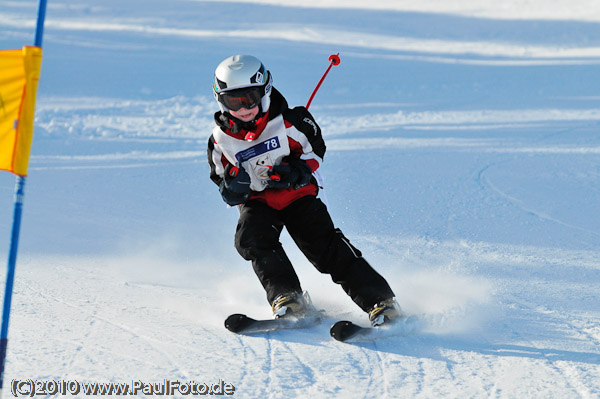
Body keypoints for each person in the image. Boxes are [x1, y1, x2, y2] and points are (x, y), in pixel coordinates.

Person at [207, 54, 401, 326]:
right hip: (258, 201)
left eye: (249, 98)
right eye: (233, 101)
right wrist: (233, 187)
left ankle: (381, 302)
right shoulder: (220, 140)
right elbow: (220, 179)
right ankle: (287, 297)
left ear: (264, 92)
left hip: (297, 195)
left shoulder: (291, 121)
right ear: (220, 100)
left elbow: (316, 151)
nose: (243, 109)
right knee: (251, 239)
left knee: (324, 248)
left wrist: (296, 170)